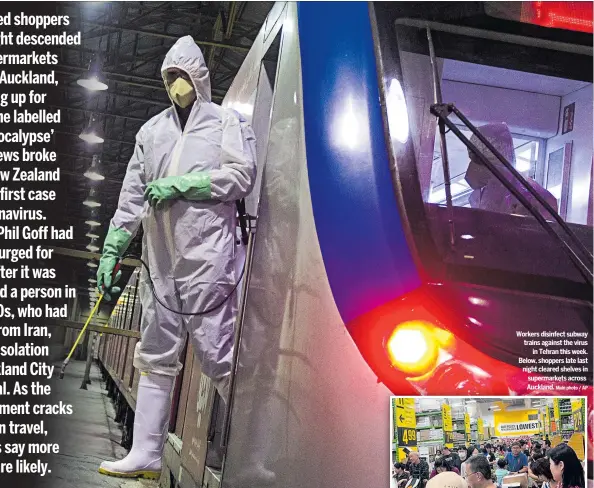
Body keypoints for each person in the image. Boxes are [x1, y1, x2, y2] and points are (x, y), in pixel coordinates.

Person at [96, 35, 257, 479]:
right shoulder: (151, 131)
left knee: (219, 355)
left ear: (199, 78)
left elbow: (242, 175)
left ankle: (245, 450)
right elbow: (130, 198)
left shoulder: (226, 123)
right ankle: (145, 453)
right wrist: (112, 251)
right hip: (160, 261)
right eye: (169, 76)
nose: (175, 84)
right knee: (155, 352)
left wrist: (184, 184)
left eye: (182, 75)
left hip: (208, 257)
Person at [464, 122, 558, 218]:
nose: (473, 167)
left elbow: (545, 227)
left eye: (478, 160)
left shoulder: (531, 193)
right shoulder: (484, 193)